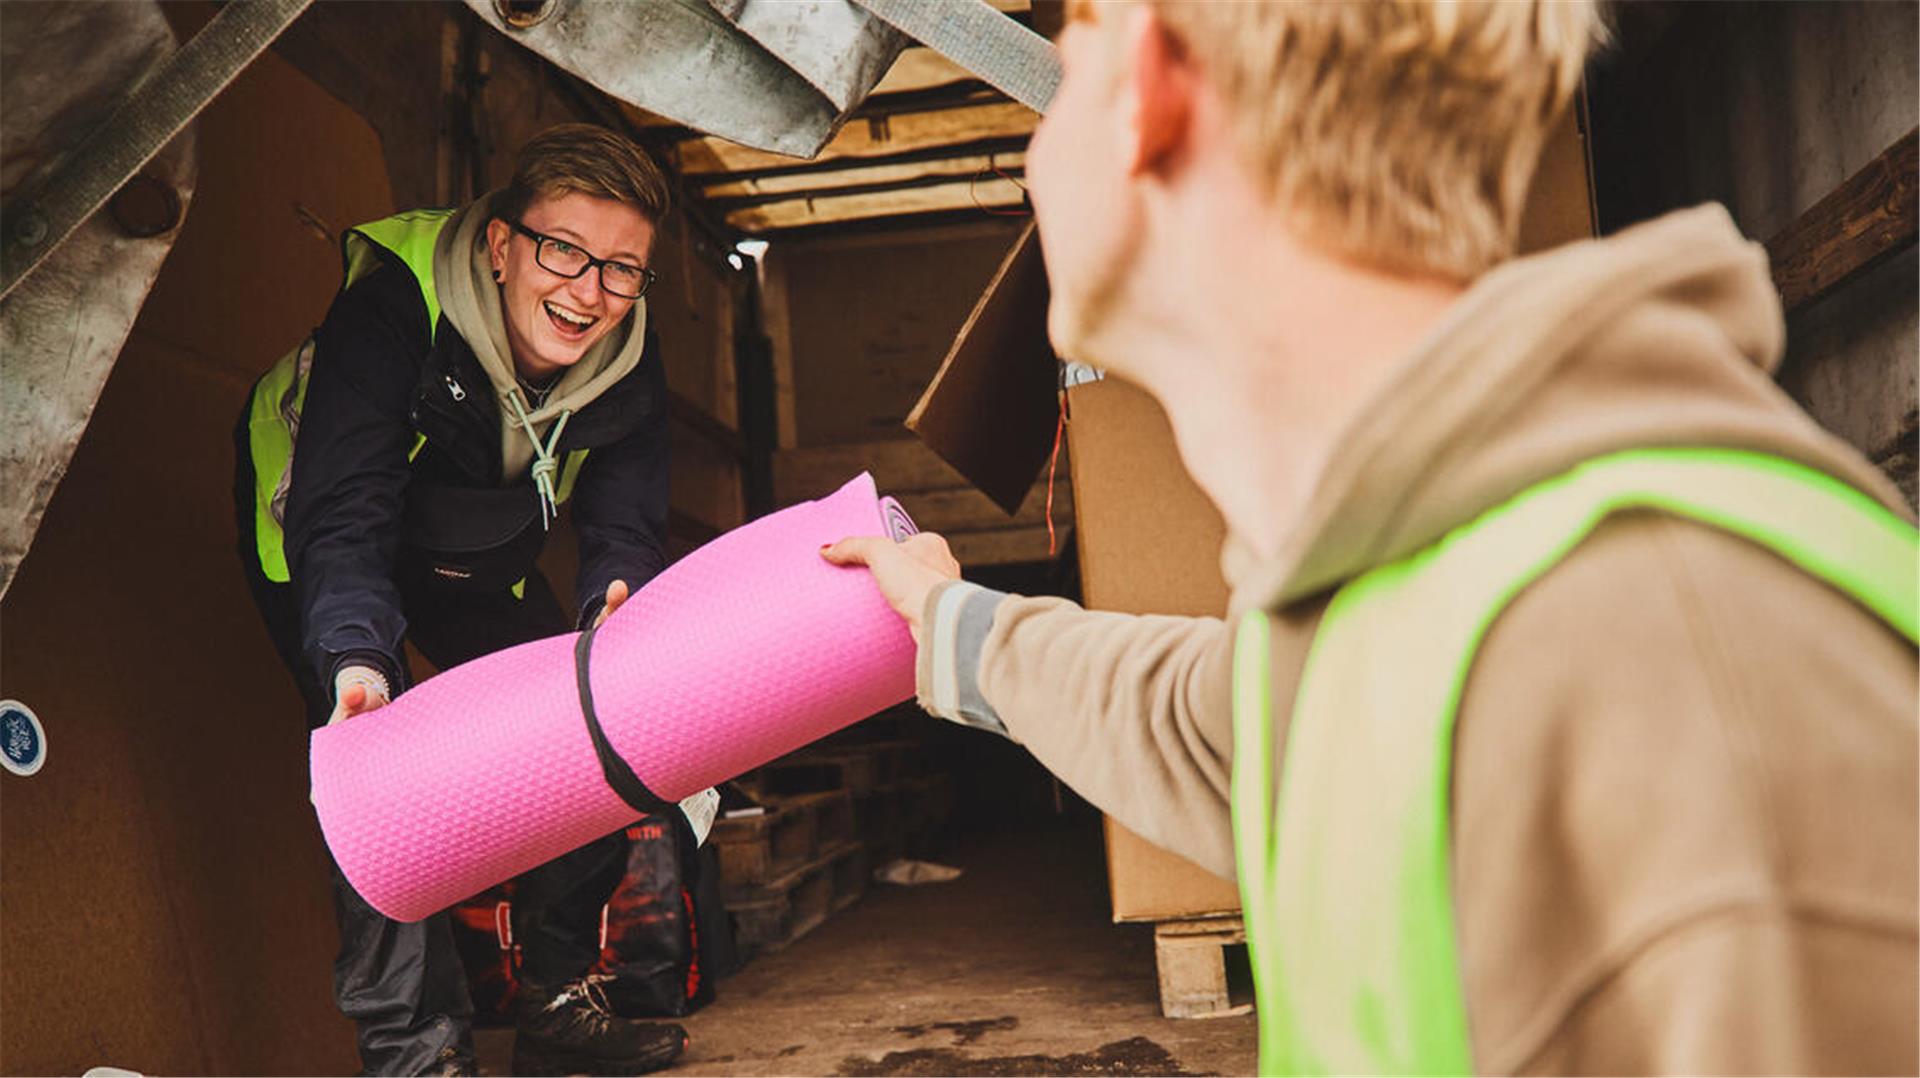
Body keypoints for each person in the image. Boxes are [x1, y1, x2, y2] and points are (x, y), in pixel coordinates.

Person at [826, 2, 1919, 1073]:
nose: (1032, 154)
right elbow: (1198, 719)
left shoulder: (1675, 668)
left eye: (1077, 52)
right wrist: (941, 610)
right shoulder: (1415, 597)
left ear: (1153, 88)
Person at [235, 124, 689, 1076]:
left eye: (619, 269)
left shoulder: (629, 346)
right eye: (562, 250)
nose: (585, 291)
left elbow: (626, 525)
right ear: (501, 245)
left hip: (467, 533)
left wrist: (623, 607)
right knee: (385, 769)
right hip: (320, 516)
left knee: (589, 729)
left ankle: (556, 1001)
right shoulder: (394, 307)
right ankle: (416, 1051)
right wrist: (357, 656)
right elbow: (345, 512)